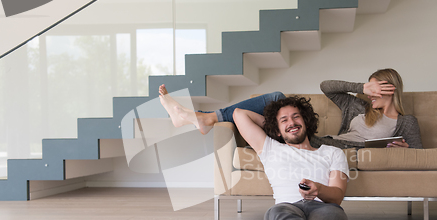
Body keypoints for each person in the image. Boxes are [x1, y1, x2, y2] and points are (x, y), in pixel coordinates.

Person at [232, 96, 351, 220]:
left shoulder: (332, 152)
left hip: (325, 207)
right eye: (284, 120)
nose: (292, 123)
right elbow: (238, 114)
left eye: (296, 118)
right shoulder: (270, 148)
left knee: (331, 217)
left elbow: (337, 196)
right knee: (276, 213)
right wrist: (273, 125)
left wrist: (319, 190)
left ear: (306, 121)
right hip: (287, 208)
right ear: (276, 130)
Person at [158, 68, 423, 148]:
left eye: (378, 88)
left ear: (392, 89)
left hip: (325, 149)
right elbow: (326, 84)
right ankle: (205, 118)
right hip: (320, 142)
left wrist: (404, 151)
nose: (372, 93)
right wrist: (361, 87)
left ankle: (202, 118)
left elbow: (421, 156)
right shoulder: (357, 105)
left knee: (264, 106)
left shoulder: (406, 122)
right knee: (275, 97)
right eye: (371, 88)